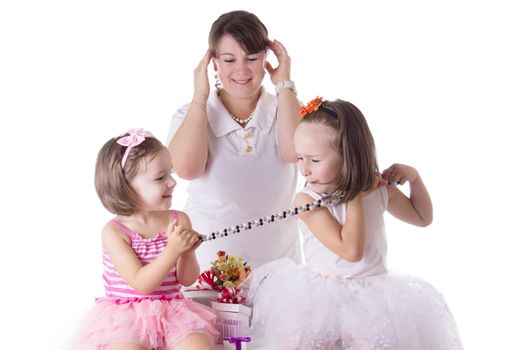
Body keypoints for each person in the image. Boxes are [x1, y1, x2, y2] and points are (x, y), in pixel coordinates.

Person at [247, 98, 463, 349]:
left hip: (372, 297)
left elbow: (422, 217)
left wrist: (414, 178)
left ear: (350, 158)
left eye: (315, 160)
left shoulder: (377, 190)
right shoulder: (308, 199)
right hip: (322, 299)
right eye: (299, 158)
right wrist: (356, 194)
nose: (304, 169)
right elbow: (351, 250)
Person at [167, 10, 302, 269]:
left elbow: (293, 153)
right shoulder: (190, 114)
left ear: (266, 59)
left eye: (251, 58)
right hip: (208, 264)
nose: (241, 69)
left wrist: (284, 84)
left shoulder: (286, 107)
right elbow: (186, 169)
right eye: (229, 59)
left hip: (279, 265)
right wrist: (199, 98)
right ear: (213, 62)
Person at [74, 129, 219, 350]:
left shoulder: (179, 219)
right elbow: (142, 284)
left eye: (170, 173)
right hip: (126, 316)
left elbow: (187, 279)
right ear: (126, 187)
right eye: (160, 177)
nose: (172, 182)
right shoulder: (114, 232)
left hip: (174, 311)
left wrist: (187, 252)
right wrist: (173, 249)